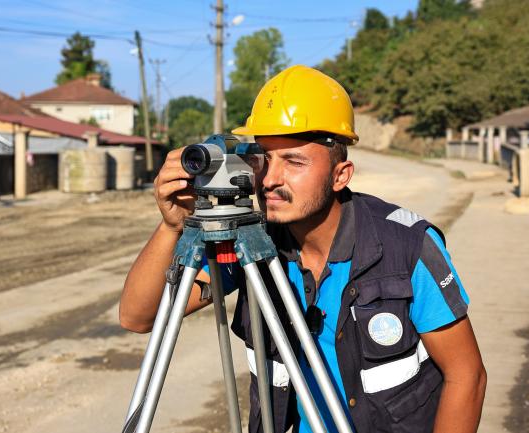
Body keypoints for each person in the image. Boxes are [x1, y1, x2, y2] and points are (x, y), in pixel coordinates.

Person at [120, 65, 487, 433]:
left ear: (340, 175)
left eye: (294, 162)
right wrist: (172, 226)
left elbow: (466, 375)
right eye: (263, 159)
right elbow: (138, 317)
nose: (270, 179)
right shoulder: (251, 244)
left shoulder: (405, 246)